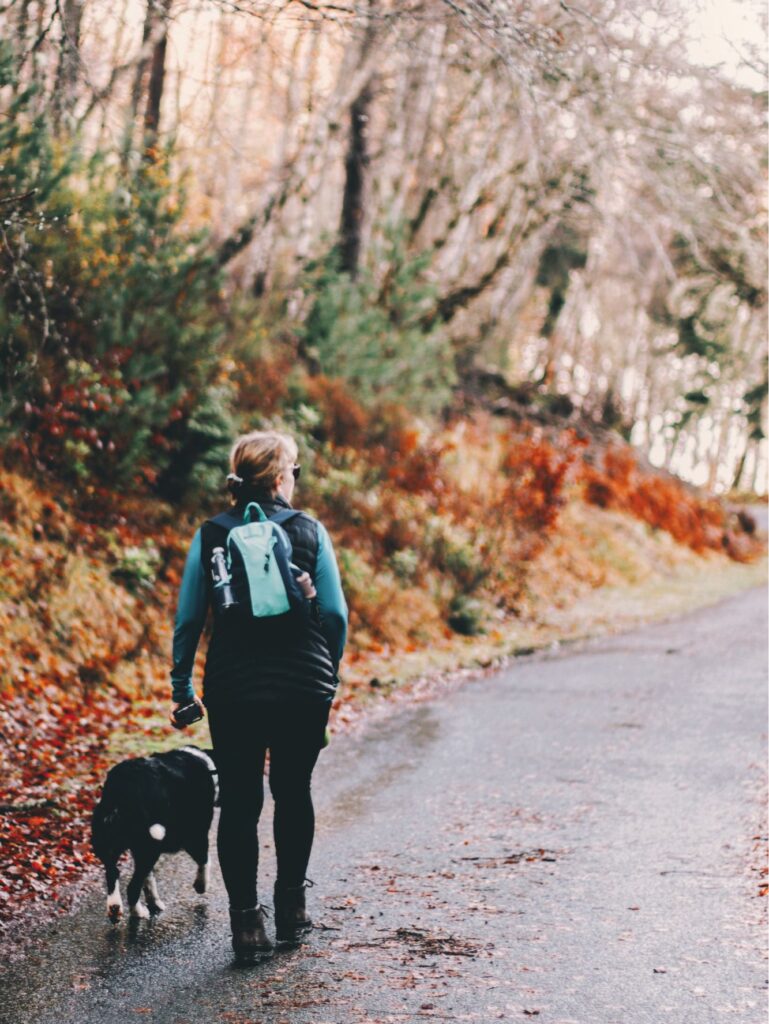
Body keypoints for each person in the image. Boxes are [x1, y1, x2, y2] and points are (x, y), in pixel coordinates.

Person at [169, 429, 348, 961]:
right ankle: (292, 910)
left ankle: (246, 927)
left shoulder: (211, 534)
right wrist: (327, 672)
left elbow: (187, 619)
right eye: (293, 470)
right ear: (277, 477)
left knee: (241, 803)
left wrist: (182, 684)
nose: (295, 478)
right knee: (294, 793)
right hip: (301, 685)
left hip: (234, 686)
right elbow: (335, 614)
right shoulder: (310, 531)